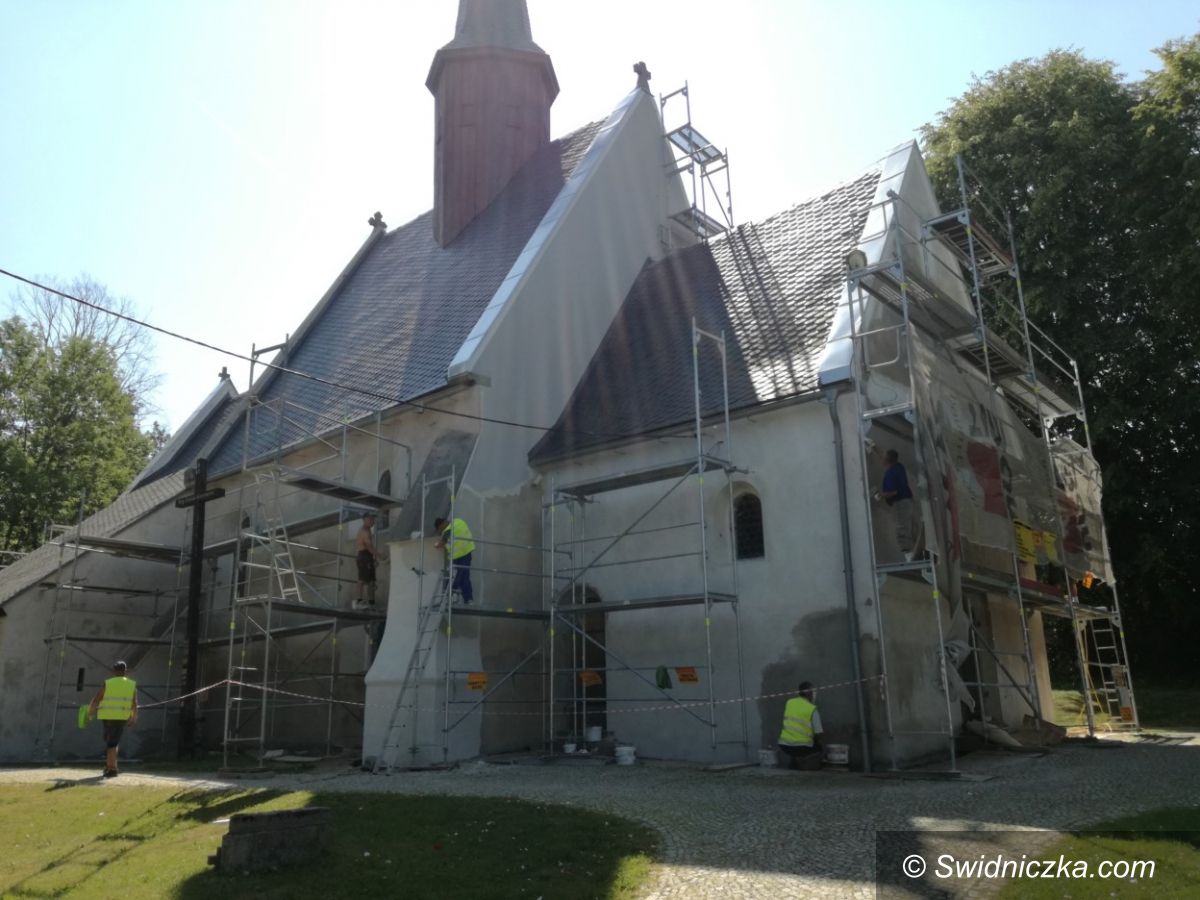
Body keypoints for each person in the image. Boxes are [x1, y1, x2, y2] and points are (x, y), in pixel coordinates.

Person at [88, 661, 138, 778]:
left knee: (111, 743)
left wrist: (90, 713)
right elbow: (134, 703)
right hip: (122, 717)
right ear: (125, 671)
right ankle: (112, 766)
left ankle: (111, 768)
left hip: (108, 716)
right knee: (114, 742)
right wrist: (134, 717)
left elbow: (97, 699)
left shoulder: (108, 683)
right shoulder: (131, 684)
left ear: (114, 671)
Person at [877, 447, 916, 561]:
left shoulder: (890, 473)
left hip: (900, 503)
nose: (881, 459)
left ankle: (909, 558)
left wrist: (880, 495)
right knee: (908, 529)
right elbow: (886, 456)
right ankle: (912, 554)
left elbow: (893, 492)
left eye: (883, 457)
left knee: (902, 530)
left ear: (887, 460)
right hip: (908, 501)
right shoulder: (899, 466)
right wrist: (874, 447)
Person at [777, 681, 823, 770]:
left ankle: (794, 764)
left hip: (784, 744)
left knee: (796, 749)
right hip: (803, 746)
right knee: (818, 746)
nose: (814, 694)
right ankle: (805, 766)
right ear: (808, 693)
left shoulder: (789, 702)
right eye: (813, 691)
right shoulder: (812, 708)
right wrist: (817, 741)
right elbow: (818, 733)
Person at [434, 515, 475, 604]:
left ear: (442, 524)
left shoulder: (447, 530)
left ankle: (452, 592)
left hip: (459, 556)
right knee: (464, 576)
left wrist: (436, 545)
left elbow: (442, 542)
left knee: (458, 576)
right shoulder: (458, 521)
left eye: (440, 529)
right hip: (467, 552)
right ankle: (468, 599)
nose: (440, 531)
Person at [355, 513, 383, 608]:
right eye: (370, 519)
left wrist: (373, 558)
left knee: (371, 581)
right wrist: (379, 556)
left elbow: (369, 548)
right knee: (362, 580)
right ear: (364, 520)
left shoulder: (368, 530)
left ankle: (371, 603)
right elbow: (369, 546)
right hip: (364, 557)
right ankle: (358, 602)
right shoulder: (364, 531)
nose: (372, 521)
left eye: (373, 519)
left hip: (367, 556)